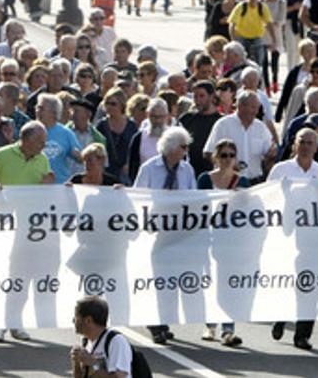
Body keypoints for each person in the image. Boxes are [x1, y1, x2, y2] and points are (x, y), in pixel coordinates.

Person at [0, 121, 54, 343]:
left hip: (29, 229)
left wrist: (51, 185)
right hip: (5, 226)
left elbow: (46, 190)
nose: (44, 145)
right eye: (40, 141)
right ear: (26, 139)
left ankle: (15, 322)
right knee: (4, 276)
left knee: (22, 277)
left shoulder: (42, 160)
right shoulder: (3, 154)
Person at [267, 127, 318, 350]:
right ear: (295, 145)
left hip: (314, 237)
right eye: (302, 142)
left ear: (317, 146)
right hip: (286, 235)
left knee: (309, 284)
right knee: (288, 281)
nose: (305, 146)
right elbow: (266, 199)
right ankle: (281, 316)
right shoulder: (281, 169)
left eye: (310, 143)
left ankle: (303, 334)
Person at [133, 127, 195, 344]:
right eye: (183, 146)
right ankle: (155, 323)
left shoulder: (187, 170)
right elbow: (138, 196)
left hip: (177, 232)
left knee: (171, 281)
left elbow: (193, 198)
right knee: (158, 279)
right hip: (155, 231)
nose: (186, 150)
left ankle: (164, 320)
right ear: (171, 148)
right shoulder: (150, 168)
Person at [196, 140, 247, 346]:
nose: (227, 159)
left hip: (232, 241)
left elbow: (249, 211)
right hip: (208, 238)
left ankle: (228, 329)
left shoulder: (242, 182)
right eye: (223, 155)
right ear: (216, 157)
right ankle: (210, 325)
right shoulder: (205, 179)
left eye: (231, 155)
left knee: (228, 285)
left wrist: (241, 199)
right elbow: (197, 205)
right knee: (210, 282)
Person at [70, 296, 135, 378]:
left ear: (88, 320)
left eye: (76, 317)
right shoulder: (86, 342)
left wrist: (93, 364)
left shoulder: (116, 341)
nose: (73, 321)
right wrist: (76, 363)